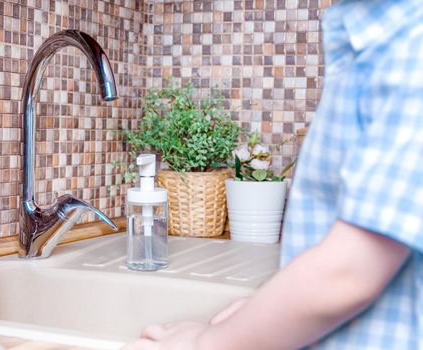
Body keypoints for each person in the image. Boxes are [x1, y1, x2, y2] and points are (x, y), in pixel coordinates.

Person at [122, 0, 423, 348]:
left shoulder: (410, 43)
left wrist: (209, 343)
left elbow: (348, 274)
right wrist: (261, 317)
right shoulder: (378, 44)